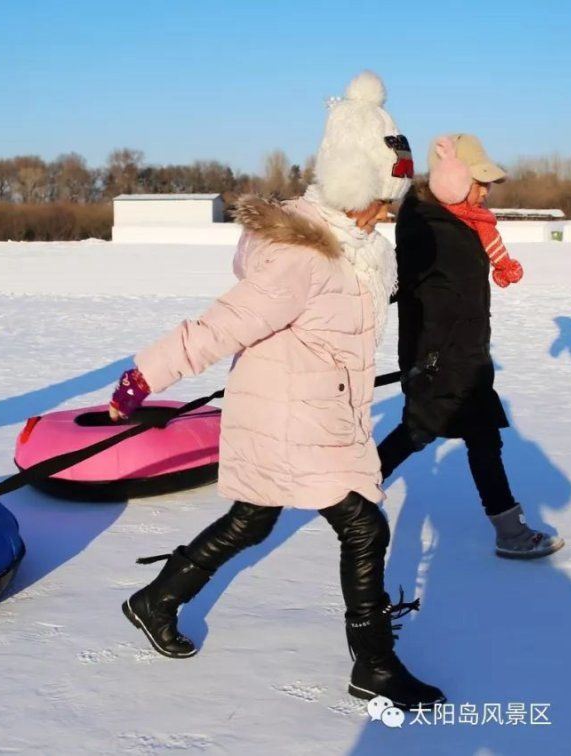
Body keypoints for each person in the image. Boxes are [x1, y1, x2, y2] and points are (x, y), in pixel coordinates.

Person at [107, 72, 445, 709]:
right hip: (296, 416)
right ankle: (373, 665)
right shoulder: (305, 254)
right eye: (381, 197)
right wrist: (144, 376)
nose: (387, 211)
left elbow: (346, 315)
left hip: (313, 406)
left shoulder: (356, 244)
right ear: (351, 186)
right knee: (364, 529)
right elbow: (223, 323)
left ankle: (158, 599)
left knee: (252, 519)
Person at [376, 134, 564, 559]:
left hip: (464, 356)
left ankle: (510, 531)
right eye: (480, 181)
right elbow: (395, 281)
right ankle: (352, 496)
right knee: (419, 432)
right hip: (440, 359)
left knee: (477, 437)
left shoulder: (462, 223)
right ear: (452, 180)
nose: (486, 191)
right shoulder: (427, 226)